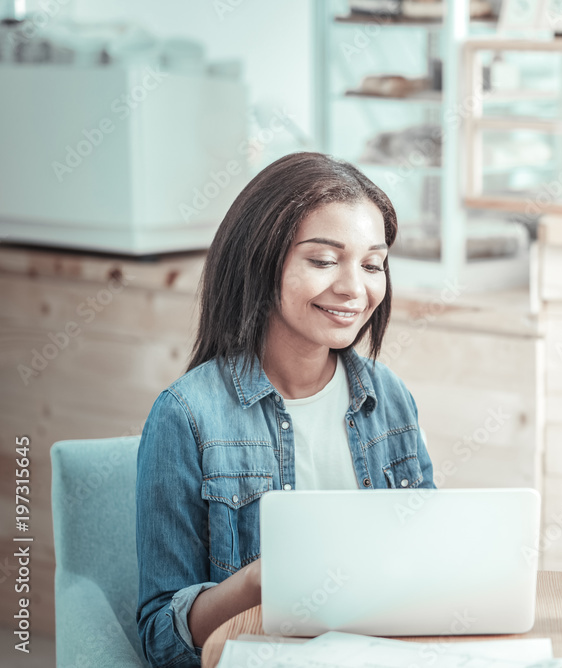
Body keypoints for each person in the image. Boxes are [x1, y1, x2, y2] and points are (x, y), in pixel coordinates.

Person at [135, 153, 435, 667]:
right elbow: (163, 640)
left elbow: (430, 560)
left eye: (372, 264)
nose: (353, 288)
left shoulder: (389, 399)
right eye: (322, 261)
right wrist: (257, 581)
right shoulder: (186, 416)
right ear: (261, 259)